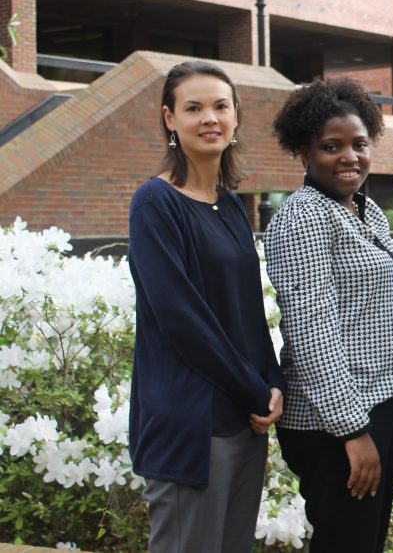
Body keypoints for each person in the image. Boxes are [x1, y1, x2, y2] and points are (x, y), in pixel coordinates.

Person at [127, 60, 285, 553]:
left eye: (220, 106)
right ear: (170, 119)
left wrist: (274, 380)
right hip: (190, 426)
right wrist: (254, 391)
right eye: (193, 108)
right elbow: (182, 320)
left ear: (236, 116)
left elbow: (248, 310)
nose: (209, 118)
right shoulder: (155, 202)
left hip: (243, 420)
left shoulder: (231, 204)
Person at [262, 78, 393, 553]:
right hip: (335, 421)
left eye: (359, 144)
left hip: (379, 401)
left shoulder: (365, 212)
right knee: (346, 542)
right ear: (305, 150)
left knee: (365, 540)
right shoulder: (304, 217)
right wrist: (353, 429)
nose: (349, 156)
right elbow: (312, 334)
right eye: (332, 146)